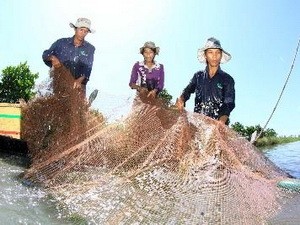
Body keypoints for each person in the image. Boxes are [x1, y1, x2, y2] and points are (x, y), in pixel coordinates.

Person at [176, 37, 235, 125]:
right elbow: (187, 90)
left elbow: (229, 103)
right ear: (205, 55)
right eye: (210, 52)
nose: (214, 56)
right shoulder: (198, 76)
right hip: (198, 123)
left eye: (217, 52)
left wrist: (221, 122)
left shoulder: (228, 79)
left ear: (221, 55)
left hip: (218, 125)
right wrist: (181, 99)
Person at [42, 17, 96, 96]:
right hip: (59, 85)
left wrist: (80, 80)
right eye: (81, 30)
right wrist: (52, 58)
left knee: (78, 107)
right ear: (75, 29)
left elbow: (88, 68)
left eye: (86, 31)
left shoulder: (90, 48)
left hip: (78, 88)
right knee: (56, 105)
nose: (83, 33)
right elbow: (45, 54)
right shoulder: (61, 43)